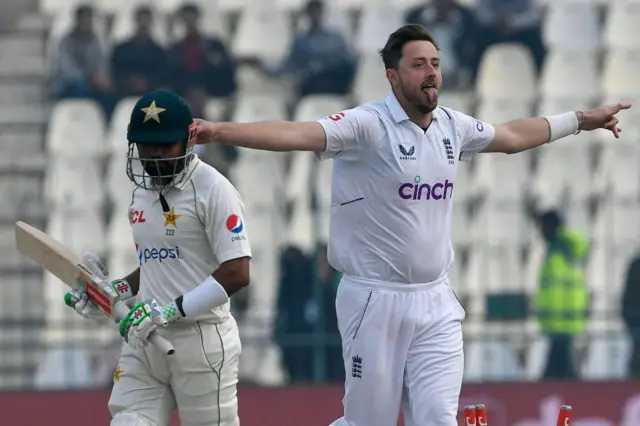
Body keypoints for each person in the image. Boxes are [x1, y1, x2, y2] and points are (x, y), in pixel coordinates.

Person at [192, 24, 630, 426]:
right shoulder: (368, 125)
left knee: (438, 419)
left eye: (435, 64)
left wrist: (579, 121)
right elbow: (295, 133)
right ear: (392, 75)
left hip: (435, 300)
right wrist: (220, 131)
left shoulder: (452, 127)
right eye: (418, 65)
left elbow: (512, 137)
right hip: (373, 300)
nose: (431, 73)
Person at [64, 89, 252, 426]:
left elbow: (237, 272)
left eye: (164, 145)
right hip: (143, 337)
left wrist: (171, 310)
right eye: (147, 146)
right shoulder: (141, 193)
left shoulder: (214, 189)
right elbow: (158, 263)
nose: (154, 156)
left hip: (202, 340)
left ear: (188, 141)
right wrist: (116, 290)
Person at [533, 210, 589, 380]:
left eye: (543, 227)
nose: (541, 233)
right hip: (558, 324)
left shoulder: (563, 249)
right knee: (564, 372)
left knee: (557, 374)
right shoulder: (556, 250)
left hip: (563, 322)